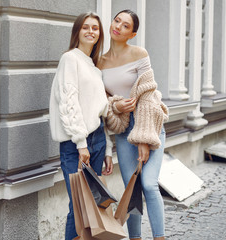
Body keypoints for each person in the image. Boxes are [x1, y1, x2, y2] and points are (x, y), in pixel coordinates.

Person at [97, 9, 169, 240]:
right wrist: (116, 107)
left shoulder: (139, 53)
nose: (118, 26)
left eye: (125, 25)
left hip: (149, 125)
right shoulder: (100, 62)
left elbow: (148, 94)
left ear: (132, 33)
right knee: (132, 188)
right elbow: (103, 100)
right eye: (117, 20)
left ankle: (159, 237)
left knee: (148, 184)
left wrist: (144, 139)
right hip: (123, 129)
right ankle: (135, 237)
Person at [49, 12, 114, 240]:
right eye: (85, 27)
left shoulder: (94, 68)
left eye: (95, 28)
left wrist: (107, 150)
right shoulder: (70, 59)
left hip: (96, 140)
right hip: (76, 144)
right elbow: (68, 103)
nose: (90, 31)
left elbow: (99, 112)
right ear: (77, 32)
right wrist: (80, 143)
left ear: (99, 34)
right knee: (78, 206)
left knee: (93, 206)